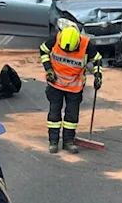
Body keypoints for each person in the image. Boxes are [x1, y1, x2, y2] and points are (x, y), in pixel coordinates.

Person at [40, 24, 103, 154]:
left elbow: (97, 60)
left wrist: (98, 75)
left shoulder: (86, 44)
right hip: (55, 85)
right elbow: (43, 50)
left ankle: (68, 141)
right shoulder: (56, 39)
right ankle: (53, 142)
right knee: (54, 114)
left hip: (75, 87)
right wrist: (49, 69)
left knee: (72, 116)